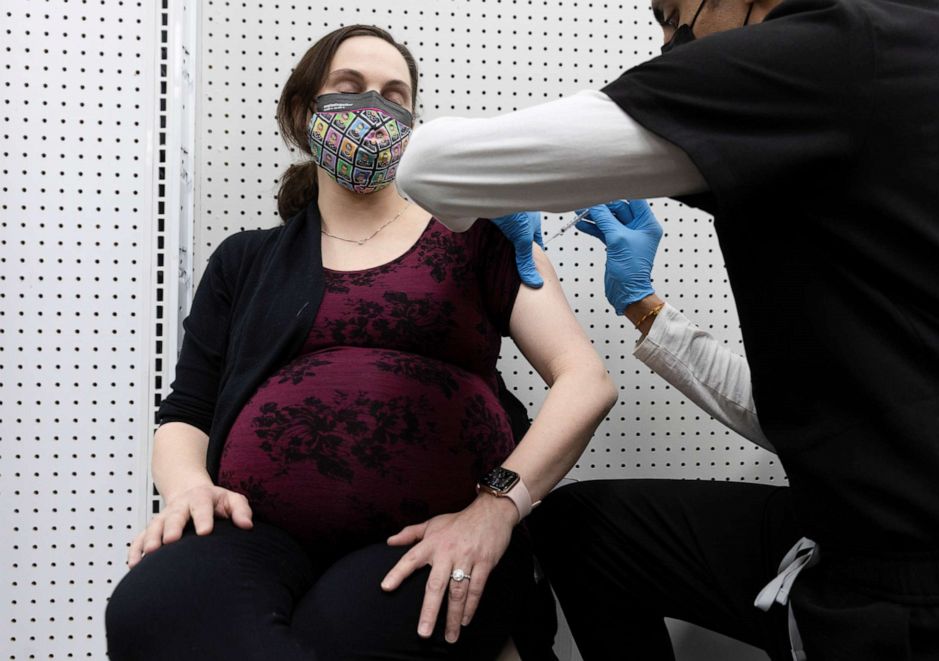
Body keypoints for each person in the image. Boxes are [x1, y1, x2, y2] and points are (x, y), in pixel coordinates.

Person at [394, 0, 939, 659]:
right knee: (590, 530)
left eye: (678, 15)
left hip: (935, 581)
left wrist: (500, 189)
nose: (670, 43)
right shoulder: (929, 62)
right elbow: (813, 414)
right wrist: (643, 304)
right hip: (871, 518)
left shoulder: (839, 51)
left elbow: (434, 167)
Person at [104, 25, 620, 661]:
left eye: (394, 96)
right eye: (349, 89)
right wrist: (186, 487)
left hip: (431, 536)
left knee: (341, 642)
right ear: (303, 111)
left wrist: (496, 509)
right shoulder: (246, 261)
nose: (373, 109)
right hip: (258, 532)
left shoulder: (481, 236)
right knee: (149, 611)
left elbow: (584, 380)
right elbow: (186, 413)